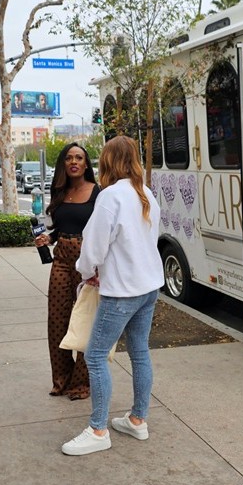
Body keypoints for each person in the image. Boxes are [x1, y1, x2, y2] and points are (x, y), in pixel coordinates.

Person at [61, 136, 164, 456]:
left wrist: (85, 270)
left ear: (106, 162)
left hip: (122, 291)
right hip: (149, 287)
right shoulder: (145, 192)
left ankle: (98, 429)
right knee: (139, 352)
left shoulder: (110, 196)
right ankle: (138, 419)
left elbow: (93, 247)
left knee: (94, 355)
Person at [33, 143, 100, 399]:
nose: (74, 162)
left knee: (85, 321)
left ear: (86, 164)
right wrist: (47, 239)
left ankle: (81, 382)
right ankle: (61, 378)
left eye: (79, 158)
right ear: (63, 163)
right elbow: (57, 229)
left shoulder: (97, 193)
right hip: (61, 259)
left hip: (88, 263)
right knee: (57, 320)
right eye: (69, 158)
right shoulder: (59, 192)